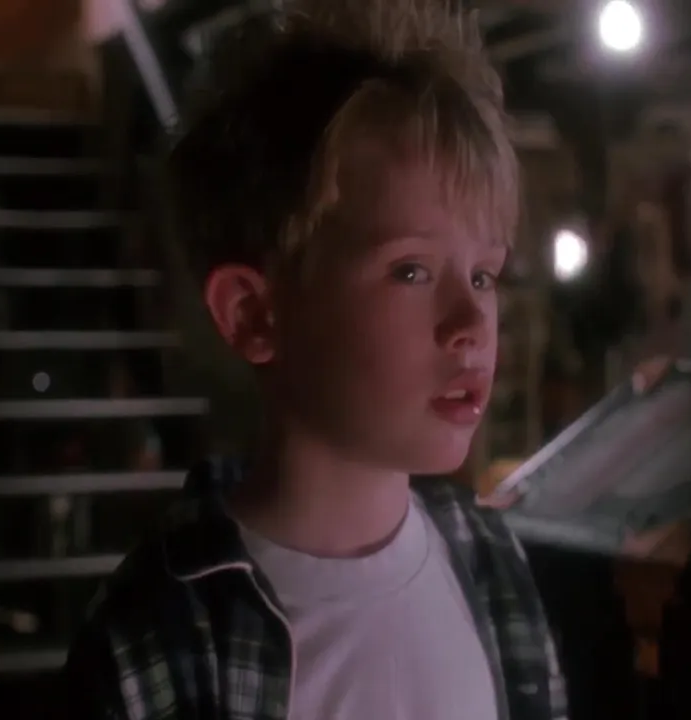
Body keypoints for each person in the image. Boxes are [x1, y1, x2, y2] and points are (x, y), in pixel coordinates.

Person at [57, 1, 568, 719]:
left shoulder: (491, 561)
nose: (470, 324)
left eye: (483, 275)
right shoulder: (159, 638)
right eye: (411, 271)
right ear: (254, 314)